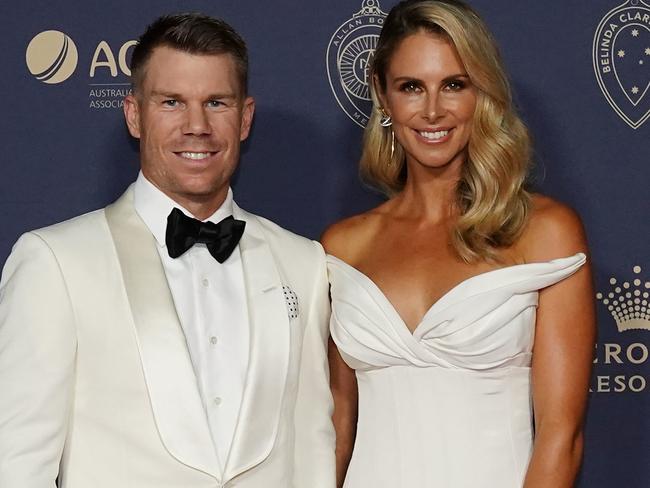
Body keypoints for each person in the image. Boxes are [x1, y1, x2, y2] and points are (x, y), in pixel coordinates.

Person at [0, 13, 334, 488]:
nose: (196, 126)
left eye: (216, 102)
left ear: (245, 118)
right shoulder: (54, 263)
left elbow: (313, 453)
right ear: (134, 115)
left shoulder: (303, 263)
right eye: (172, 102)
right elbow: (17, 466)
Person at [322, 1, 595, 487]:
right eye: (411, 87)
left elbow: (561, 436)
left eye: (454, 84)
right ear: (383, 97)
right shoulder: (343, 246)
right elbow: (339, 426)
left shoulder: (545, 231)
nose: (432, 110)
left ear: (481, 93)